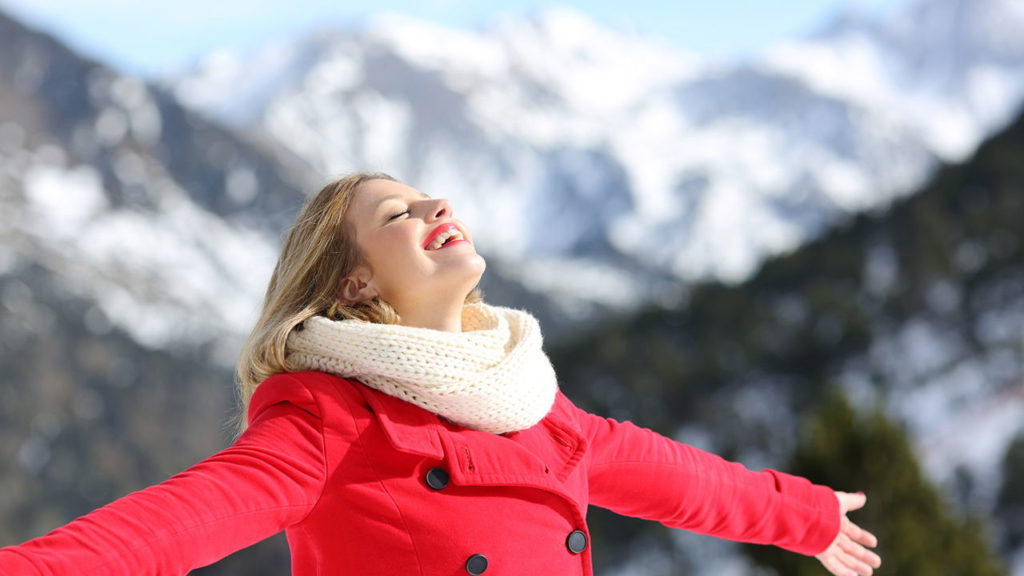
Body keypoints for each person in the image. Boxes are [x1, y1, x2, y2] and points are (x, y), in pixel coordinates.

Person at [0, 172, 882, 575]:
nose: (436, 208)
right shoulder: (327, 418)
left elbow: (664, 473)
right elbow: (174, 526)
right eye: (398, 213)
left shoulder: (531, 402)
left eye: (431, 198)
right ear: (353, 281)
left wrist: (798, 514)